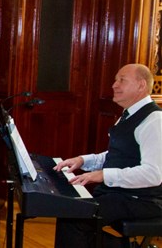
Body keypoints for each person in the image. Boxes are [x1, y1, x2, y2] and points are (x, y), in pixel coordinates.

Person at [53, 63, 162, 248]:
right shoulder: (127, 115)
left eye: (122, 80)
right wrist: (82, 160)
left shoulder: (155, 121)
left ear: (141, 85)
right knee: (71, 215)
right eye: (115, 80)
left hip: (142, 199)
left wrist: (103, 175)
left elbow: (153, 174)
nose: (114, 85)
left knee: (74, 220)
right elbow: (117, 155)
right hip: (121, 194)